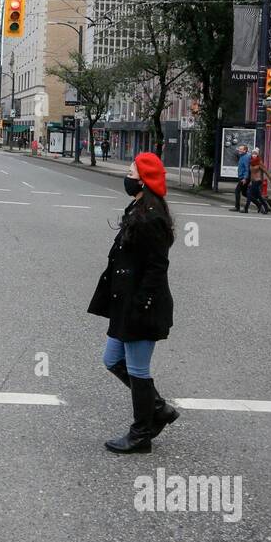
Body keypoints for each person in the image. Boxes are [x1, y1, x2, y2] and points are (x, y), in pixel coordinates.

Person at [87, 152, 179, 454]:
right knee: (112, 360)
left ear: (143, 179)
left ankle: (141, 435)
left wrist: (142, 305)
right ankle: (159, 408)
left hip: (141, 306)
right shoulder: (141, 206)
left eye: (130, 171)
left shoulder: (151, 215)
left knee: (138, 370)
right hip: (126, 303)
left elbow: (157, 266)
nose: (126, 175)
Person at [244, 148, 271, 214]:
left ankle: (246, 209)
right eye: (253, 154)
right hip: (253, 181)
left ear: (257, 155)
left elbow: (265, 171)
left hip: (258, 180)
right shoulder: (251, 162)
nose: (254, 155)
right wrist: (250, 181)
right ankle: (266, 208)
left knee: (249, 194)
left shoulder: (259, 162)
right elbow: (251, 174)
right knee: (259, 196)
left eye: (255, 154)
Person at [233, 143, 250, 211]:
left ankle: (237, 207)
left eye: (241, 149)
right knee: (244, 193)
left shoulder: (246, 157)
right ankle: (260, 203)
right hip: (243, 177)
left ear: (245, 150)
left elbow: (247, 169)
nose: (239, 150)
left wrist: (245, 178)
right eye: (239, 149)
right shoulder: (242, 156)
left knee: (237, 191)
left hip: (244, 178)